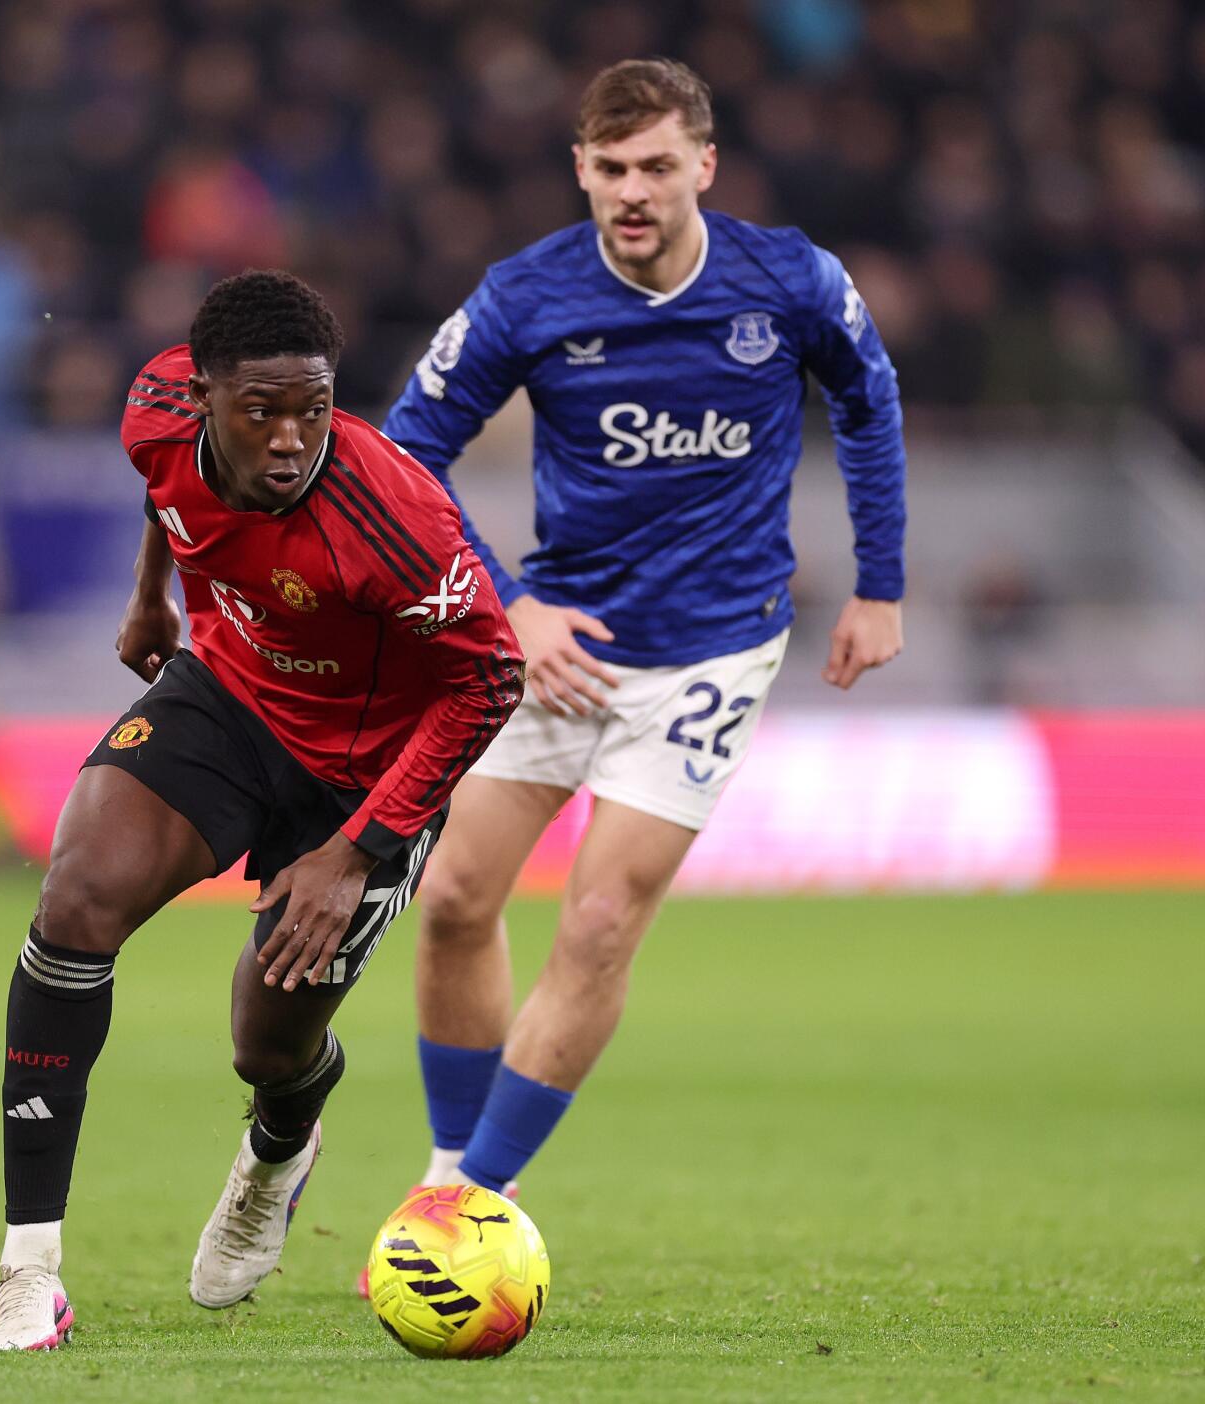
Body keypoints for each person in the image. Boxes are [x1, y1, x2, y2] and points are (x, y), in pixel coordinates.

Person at [364, 57, 907, 1272]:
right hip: (562, 647)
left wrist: (879, 584)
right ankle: (447, 1175)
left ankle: (470, 1211)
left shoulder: (791, 280)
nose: (634, 191)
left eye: (658, 166)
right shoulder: (527, 297)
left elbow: (869, 400)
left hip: (710, 651)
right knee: (451, 901)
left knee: (601, 920)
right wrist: (512, 609)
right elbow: (406, 456)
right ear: (580, 170)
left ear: (704, 166)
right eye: (610, 169)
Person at [0, 270, 524, 1351]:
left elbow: (492, 679)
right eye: (259, 412)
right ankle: (27, 1269)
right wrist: (152, 592)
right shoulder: (155, 408)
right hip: (230, 695)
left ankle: (280, 1148)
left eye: (311, 410)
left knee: (265, 1042)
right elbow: (163, 489)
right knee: (76, 901)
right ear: (206, 397)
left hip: (364, 776)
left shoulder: (395, 522)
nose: (288, 438)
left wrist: (359, 850)